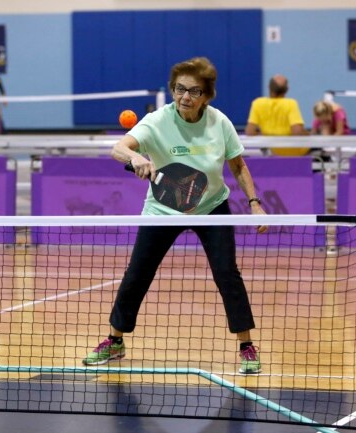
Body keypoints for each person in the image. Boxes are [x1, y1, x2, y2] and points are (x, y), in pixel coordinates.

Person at [83, 57, 268, 375]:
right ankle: (115, 341)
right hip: (163, 209)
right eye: (180, 89)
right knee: (138, 273)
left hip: (211, 207)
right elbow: (118, 148)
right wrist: (135, 156)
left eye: (194, 91)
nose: (185, 96)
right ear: (172, 89)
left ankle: (246, 347)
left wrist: (254, 202)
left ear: (207, 95)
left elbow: (238, 165)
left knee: (227, 274)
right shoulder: (156, 121)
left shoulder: (219, 122)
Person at [245, 74, 309, 156]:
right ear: (287, 89)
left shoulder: (258, 103)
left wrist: (264, 135)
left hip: (272, 150)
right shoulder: (291, 104)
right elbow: (297, 131)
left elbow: (250, 132)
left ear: (269, 87)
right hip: (294, 151)